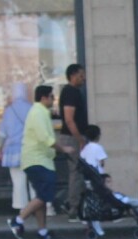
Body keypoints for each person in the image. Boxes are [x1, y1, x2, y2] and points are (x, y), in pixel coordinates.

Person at [7, 85, 74, 239]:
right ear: (43, 98)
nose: (53, 100)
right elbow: (46, 138)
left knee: (41, 197)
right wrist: (63, 148)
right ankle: (18, 220)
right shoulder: (38, 113)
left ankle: (42, 233)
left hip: (40, 160)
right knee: (45, 196)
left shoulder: (41, 112)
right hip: (38, 160)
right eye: (51, 96)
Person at [79, 124, 138, 237]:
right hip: (99, 178)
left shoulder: (85, 149)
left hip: (91, 181)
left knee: (95, 201)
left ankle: (94, 224)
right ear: (98, 136)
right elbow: (101, 162)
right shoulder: (97, 147)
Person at [57, 63, 89, 218]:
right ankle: (73, 208)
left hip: (74, 136)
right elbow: (69, 119)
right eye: (81, 75)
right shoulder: (70, 92)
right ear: (73, 75)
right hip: (72, 138)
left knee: (79, 172)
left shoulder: (73, 92)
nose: (84, 79)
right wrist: (80, 139)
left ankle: (75, 204)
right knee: (76, 173)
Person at [0, 82, 33, 215]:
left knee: (18, 180)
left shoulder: (9, 110)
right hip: (30, 150)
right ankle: (36, 205)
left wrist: (0, 148)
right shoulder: (32, 108)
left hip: (12, 151)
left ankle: (21, 207)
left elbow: (2, 133)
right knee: (33, 180)